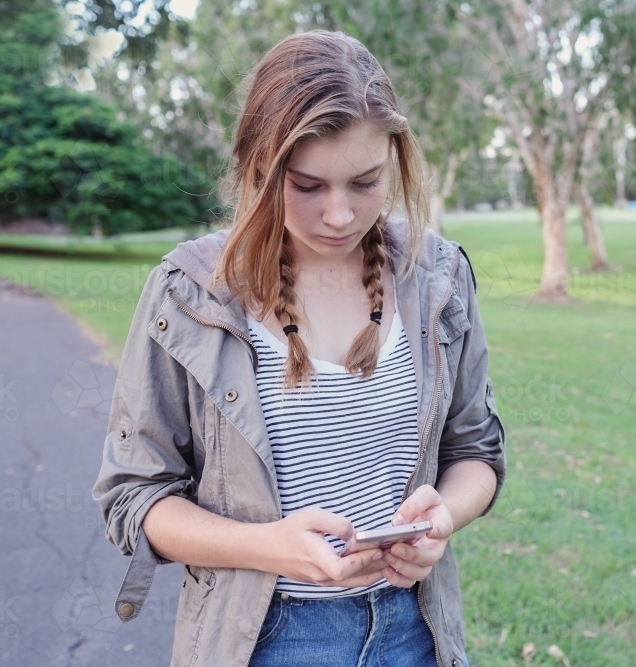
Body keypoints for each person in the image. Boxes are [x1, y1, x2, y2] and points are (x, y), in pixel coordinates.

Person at [91, 30, 506, 667]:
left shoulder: (439, 276)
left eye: (365, 182)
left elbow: (476, 453)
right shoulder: (189, 293)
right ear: (258, 166)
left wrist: (442, 517)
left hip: (414, 631)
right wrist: (271, 547)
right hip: (266, 640)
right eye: (307, 186)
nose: (340, 215)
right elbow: (135, 497)